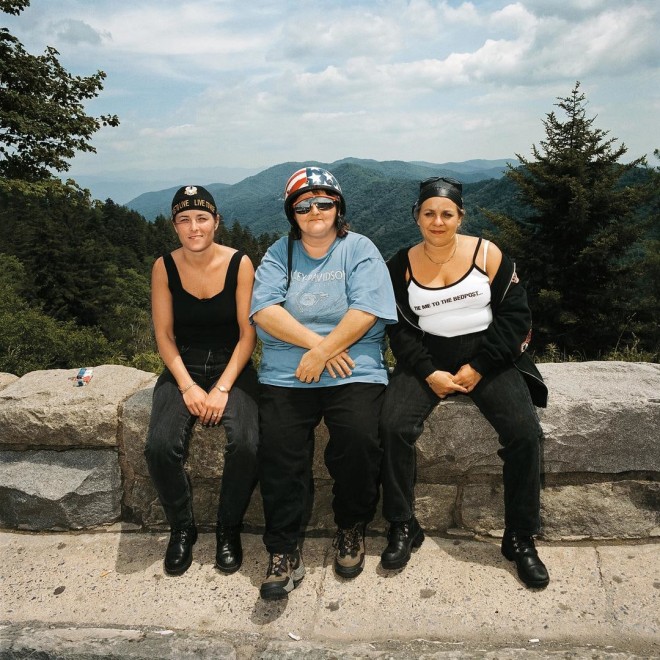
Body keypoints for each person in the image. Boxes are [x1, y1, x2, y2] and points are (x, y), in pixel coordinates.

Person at [379, 176, 550, 589]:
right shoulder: (399, 265)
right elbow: (399, 328)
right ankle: (403, 524)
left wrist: (480, 366)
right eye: (429, 213)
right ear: (417, 216)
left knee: (524, 434)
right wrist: (426, 372)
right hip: (427, 357)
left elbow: (515, 316)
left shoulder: (487, 254)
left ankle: (520, 537)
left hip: (488, 354)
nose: (438, 221)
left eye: (447, 213)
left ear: (460, 216)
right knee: (392, 427)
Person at [250, 166, 397, 600]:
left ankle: (351, 527)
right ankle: (282, 548)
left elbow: (367, 309)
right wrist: (317, 347)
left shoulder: (360, 249)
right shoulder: (280, 254)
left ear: (338, 207)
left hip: (354, 367)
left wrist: (325, 351)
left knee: (357, 440)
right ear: (292, 214)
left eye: (323, 202)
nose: (314, 211)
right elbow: (265, 311)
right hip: (288, 371)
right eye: (303, 205)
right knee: (277, 448)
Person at [144, 185, 259, 577]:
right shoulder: (164, 266)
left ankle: (229, 527)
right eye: (184, 219)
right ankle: (182, 528)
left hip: (233, 364)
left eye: (201, 218)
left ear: (216, 222)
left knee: (246, 443)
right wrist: (188, 386)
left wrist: (223, 387)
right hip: (184, 364)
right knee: (160, 446)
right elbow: (164, 335)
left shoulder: (240, 263)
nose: (194, 227)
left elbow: (248, 335)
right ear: (175, 225)